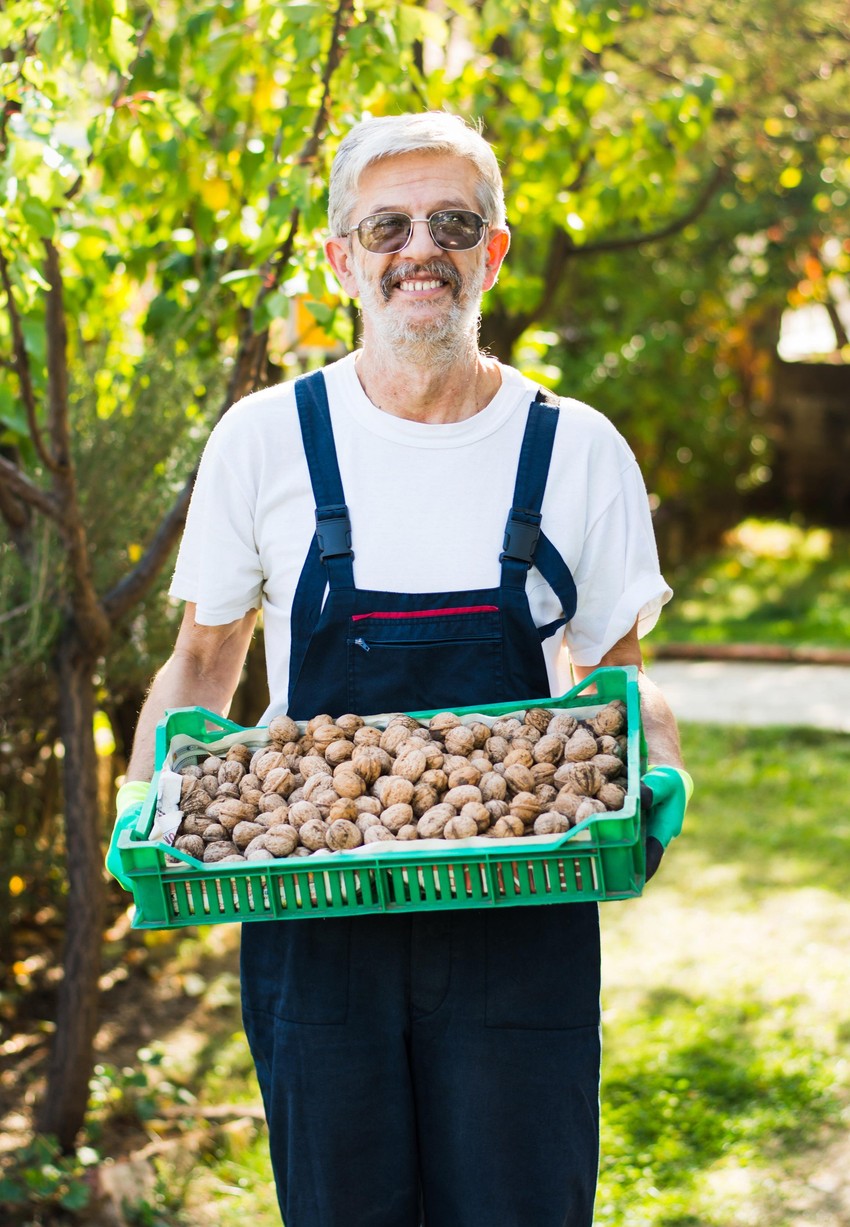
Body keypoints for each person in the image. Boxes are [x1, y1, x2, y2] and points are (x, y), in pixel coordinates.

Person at [113, 111, 690, 1226]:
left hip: (521, 906)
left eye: (452, 223)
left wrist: (654, 759)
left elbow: (615, 674)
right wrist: (147, 799)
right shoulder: (264, 439)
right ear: (342, 259)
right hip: (314, 913)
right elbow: (202, 661)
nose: (419, 249)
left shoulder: (576, 447)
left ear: (493, 251)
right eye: (387, 227)